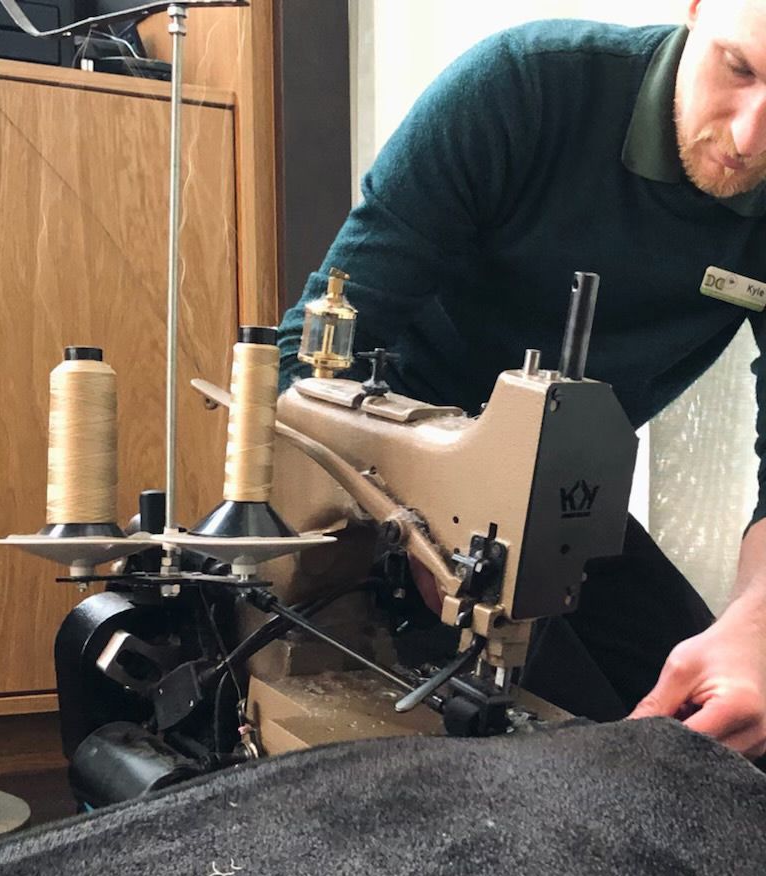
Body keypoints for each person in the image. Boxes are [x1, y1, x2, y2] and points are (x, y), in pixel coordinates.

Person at [277, 0, 766, 757]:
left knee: (711, 746)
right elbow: (308, 363)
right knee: (586, 755)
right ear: (698, 8)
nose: (748, 138)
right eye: (739, 69)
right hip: (390, 488)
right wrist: (403, 528)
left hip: (564, 504)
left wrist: (756, 628)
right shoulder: (523, 89)